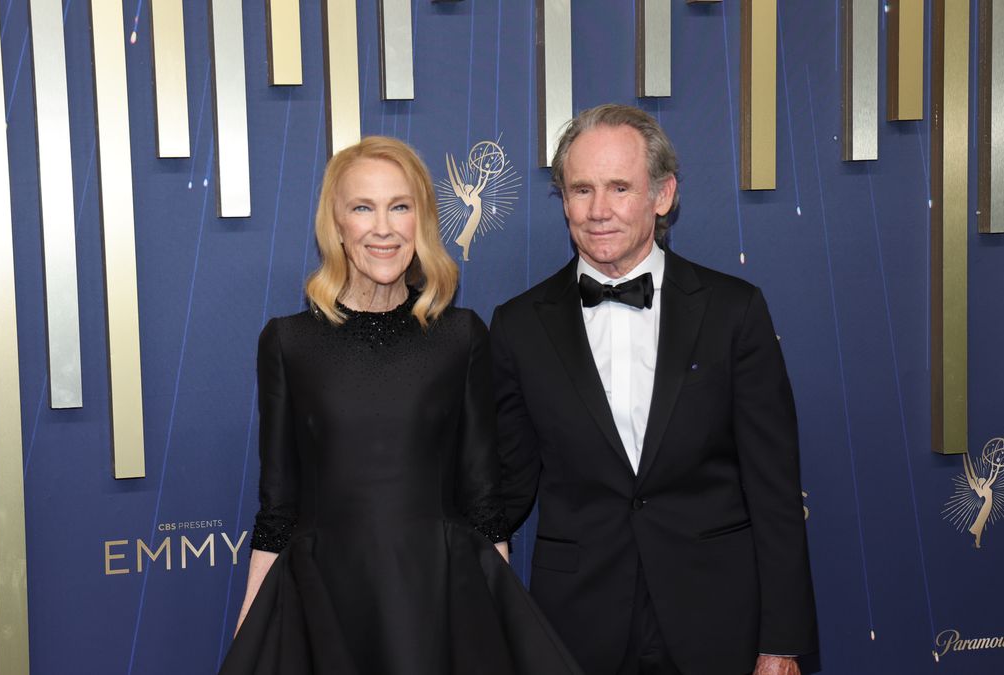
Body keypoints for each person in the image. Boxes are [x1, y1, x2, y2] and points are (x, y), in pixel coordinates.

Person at [220, 136, 581, 675]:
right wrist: (251, 636)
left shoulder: (461, 336)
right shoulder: (287, 343)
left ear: (422, 221)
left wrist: (501, 628)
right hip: (327, 603)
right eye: (362, 208)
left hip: (438, 600)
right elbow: (278, 508)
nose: (383, 227)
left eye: (400, 206)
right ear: (336, 225)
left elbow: (483, 501)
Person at [490, 105, 818, 675]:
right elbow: (507, 488)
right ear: (563, 200)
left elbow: (775, 492)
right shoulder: (518, 326)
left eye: (620, 187)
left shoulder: (733, 312)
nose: (598, 211)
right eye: (581, 189)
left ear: (662, 195)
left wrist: (782, 642)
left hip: (716, 621)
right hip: (576, 627)